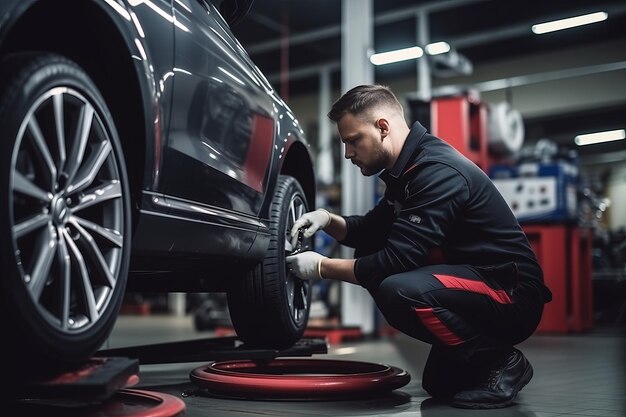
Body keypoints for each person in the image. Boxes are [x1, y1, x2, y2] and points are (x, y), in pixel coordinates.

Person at [286, 84, 552, 409]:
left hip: (510, 293)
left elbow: (394, 261)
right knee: (439, 385)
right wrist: (327, 219)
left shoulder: (436, 172)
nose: (348, 153)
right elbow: (370, 232)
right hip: (474, 285)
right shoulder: (408, 171)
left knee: (397, 289)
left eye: (353, 141)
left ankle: (503, 362)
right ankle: (486, 357)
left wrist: (319, 267)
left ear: (382, 128)